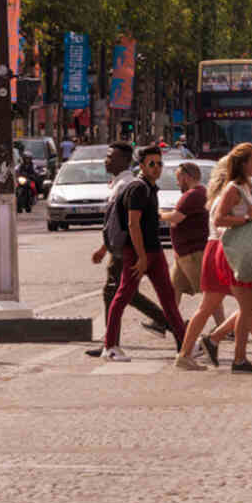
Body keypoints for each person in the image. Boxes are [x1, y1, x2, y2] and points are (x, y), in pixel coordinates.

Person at [175, 143, 252, 373]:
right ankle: (238, 355)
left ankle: (216, 348)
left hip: (232, 249)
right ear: (242, 164)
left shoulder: (240, 187)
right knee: (246, 305)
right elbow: (220, 220)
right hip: (232, 250)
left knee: (243, 305)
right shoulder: (234, 188)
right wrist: (248, 219)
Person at [99, 146, 186, 362]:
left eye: (159, 164)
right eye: (151, 164)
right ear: (141, 165)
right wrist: (141, 256)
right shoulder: (138, 188)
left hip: (154, 251)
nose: (156, 168)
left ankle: (184, 346)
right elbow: (132, 224)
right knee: (122, 296)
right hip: (137, 253)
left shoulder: (150, 187)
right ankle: (110, 346)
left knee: (168, 299)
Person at [88, 142, 170, 358]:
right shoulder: (119, 183)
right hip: (122, 247)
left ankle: (170, 324)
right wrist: (103, 249)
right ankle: (111, 340)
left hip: (127, 249)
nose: (106, 161)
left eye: (110, 157)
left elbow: (125, 223)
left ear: (125, 161)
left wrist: (110, 249)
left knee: (119, 293)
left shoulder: (127, 185)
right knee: (120, 292)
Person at [160, 161, 225, 332]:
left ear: (186, 177)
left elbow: (176, 217)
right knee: (173, 290)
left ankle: (224, 328)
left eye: (178, 178)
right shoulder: (197, 193)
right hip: (184, 253)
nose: (177, 182)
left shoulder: (193, 195)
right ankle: (164, 322)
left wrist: (159, 213)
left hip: (193, 253)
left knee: (210, 293)